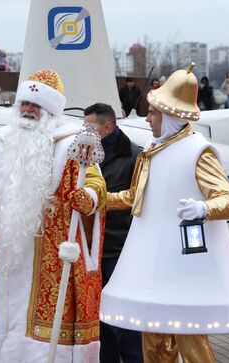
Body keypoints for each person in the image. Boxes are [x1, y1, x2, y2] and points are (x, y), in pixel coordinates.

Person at [100, 64, 229, 363]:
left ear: (171, 116)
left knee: (191, 338)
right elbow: (136, 197)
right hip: (152, 264)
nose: (147, 119)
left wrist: (203, 208)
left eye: (153, 113)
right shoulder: (152, 149)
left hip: (184, 268)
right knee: (154, 339)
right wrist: (99, 199)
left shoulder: (198, 151)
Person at [0, 69, 107, 363]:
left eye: (35, 105)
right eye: (24, 103)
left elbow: (95, 183)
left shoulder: (70, 145)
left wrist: (89, 197)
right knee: (0, 326)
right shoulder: (2, 143)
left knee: (38, 340)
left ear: (50, 111)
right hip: (6, 256)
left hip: (48, 257)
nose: (27, 110)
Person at [84, 103, 143, 363]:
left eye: (90, 126)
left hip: (118, 251)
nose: (84, 131)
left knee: (125, 324)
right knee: (101, 325)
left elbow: (138, 201)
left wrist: (97, 199)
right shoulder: (84, 156)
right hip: (90, 252)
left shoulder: (133, 157)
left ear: (107, 127)